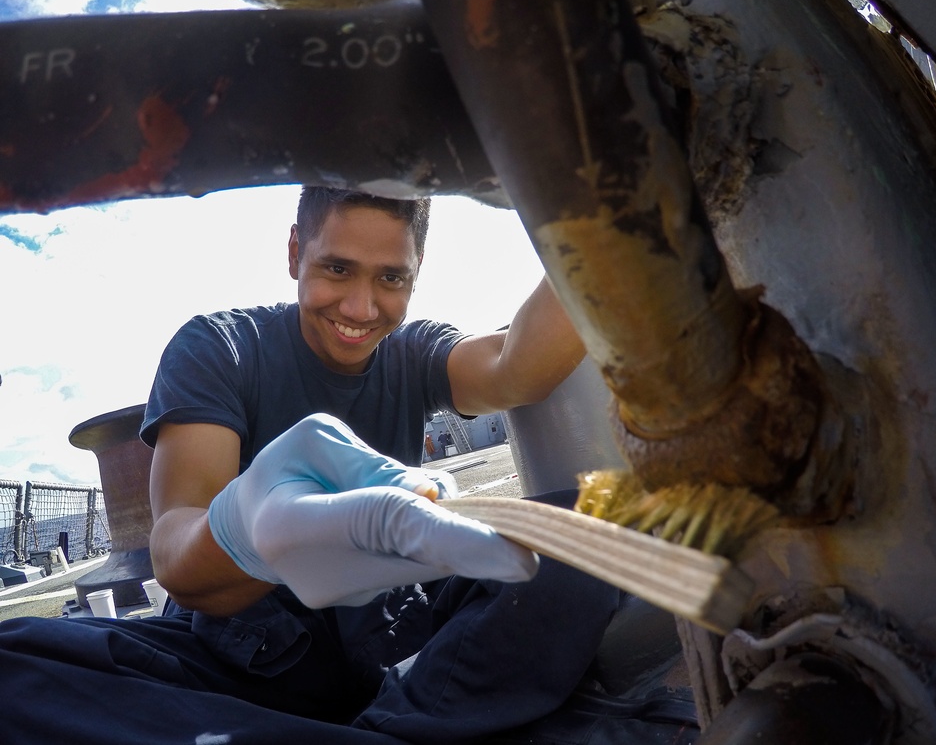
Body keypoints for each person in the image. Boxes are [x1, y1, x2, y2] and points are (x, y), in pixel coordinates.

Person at [0, 187, 622, 745]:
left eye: (391, 279)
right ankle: (418, 723)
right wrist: (247, 532)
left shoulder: (411, 353)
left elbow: (516, 368)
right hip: (242, 660)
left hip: (391, 635)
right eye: (337, 268)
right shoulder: (221, 347)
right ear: (295, 250)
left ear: (416, 276)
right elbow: (174, 553)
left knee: (580, 534)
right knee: (18, 667)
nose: (360, 306)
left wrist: (608, 220)